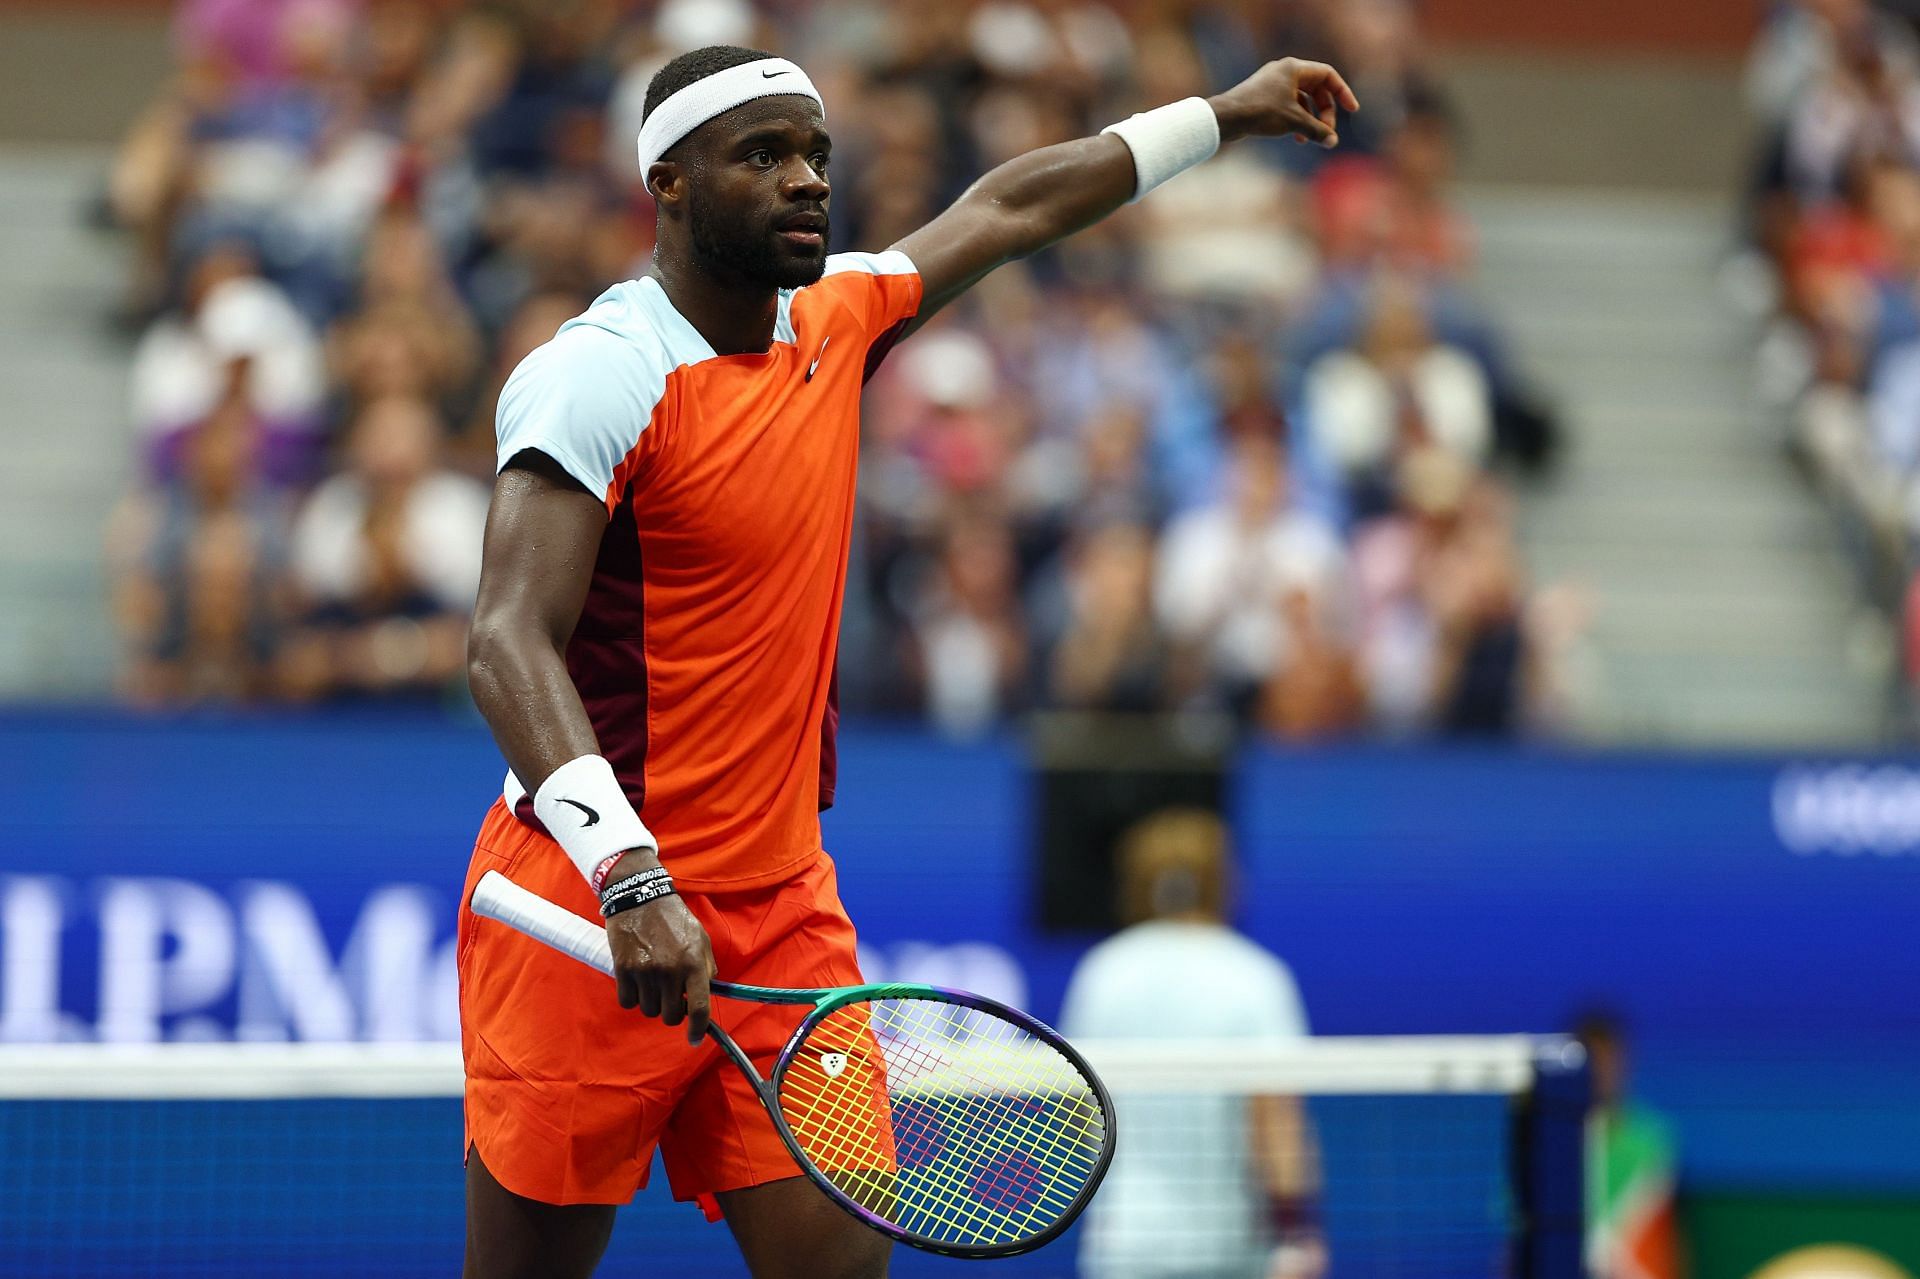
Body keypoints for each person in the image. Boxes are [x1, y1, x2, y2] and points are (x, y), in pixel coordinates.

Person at [457, 42, 1359, 1279]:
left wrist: (1223, 112)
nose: (806, 181)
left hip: (782, 914)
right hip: (590, 902)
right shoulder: (597, 374)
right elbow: (506, 639)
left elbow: (1010, 205)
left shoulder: (840, 319)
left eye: (817, 155)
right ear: (667, 182)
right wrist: (628, 877)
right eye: (763, 155)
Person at [1061, 809, 1321, 1279]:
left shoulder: (1100, 973)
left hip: (1124, 1245)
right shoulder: (1257, 977)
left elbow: (1082, 1117)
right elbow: (1275, 1121)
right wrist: (1297, 1234)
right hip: (1227, 1246)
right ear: (1222, 880)